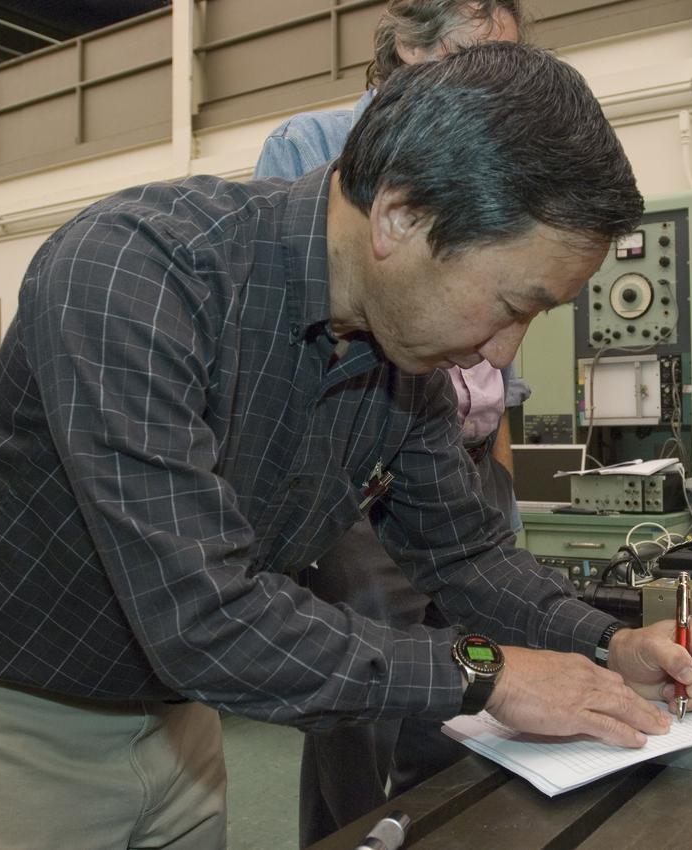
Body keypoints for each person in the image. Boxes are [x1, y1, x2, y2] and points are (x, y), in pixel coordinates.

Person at [0, 43, 692, 850]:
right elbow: (205, 614)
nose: (502, 354)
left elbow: (462, 552)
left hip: (175, 723)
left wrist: (601, 642)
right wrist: (484, 670)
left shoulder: (403, 355)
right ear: (399, 216)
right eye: (512, 304)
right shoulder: (135, 275)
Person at [254, 2, 529, 843]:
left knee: (465, 690)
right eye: (480, 57)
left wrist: (500, 475)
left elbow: (499, 355)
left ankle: (431, 827)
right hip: (357, 471)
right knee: (360, 693)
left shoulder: (501, 165)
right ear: (412, 43)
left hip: (470, 461)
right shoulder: (309, 149)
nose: (500, 87)